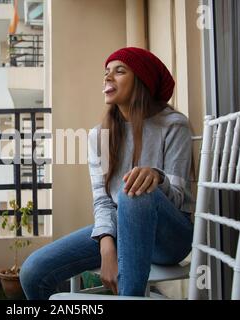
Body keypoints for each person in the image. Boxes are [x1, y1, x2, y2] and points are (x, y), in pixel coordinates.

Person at [19, 47, 195, 299]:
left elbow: (179, 198)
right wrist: (106, 246)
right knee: (33, 272)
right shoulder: (98, 136)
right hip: (120, 228)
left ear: (142, 80)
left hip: (169, 238)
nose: (107, 77)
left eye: (119, 71)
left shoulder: (173, 125)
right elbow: (102, 200)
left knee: (133, 193)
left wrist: (157, 177)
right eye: (106, 72)